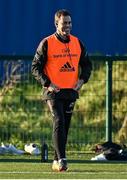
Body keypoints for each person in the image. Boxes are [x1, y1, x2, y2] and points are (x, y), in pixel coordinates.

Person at [31, 9, 92, 172]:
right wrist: (48, 83)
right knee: (59, 121)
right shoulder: (47, 43)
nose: (68, 26)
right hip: (53, 92)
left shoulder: (77, 42)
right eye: (64, 23)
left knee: (65, 126)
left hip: (71, 91)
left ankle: (56, 159)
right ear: (56, 24)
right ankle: (63, 160)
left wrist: (82, 80)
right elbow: (35, 67)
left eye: (70, 23)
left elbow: (87, 64)